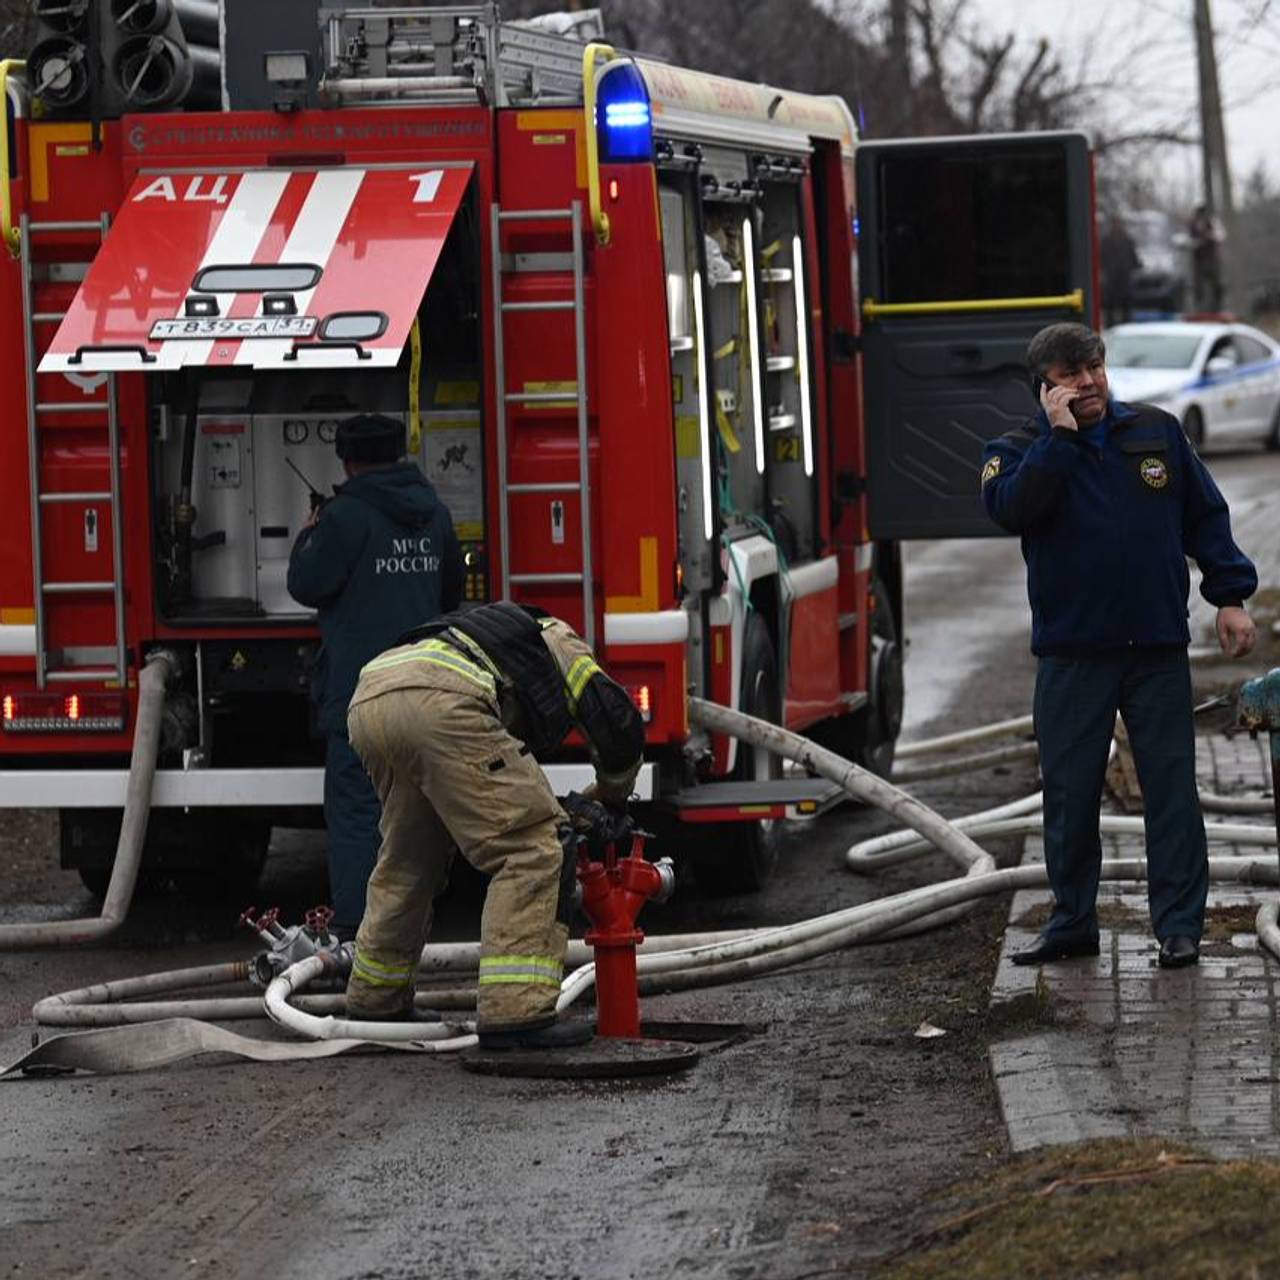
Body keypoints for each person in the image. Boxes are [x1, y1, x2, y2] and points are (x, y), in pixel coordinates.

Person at [980, 322, 1257, 970]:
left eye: (1095, 369)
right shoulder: (1016, 450)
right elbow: (1013, 511)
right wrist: (1061, 442)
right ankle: (1073, 921)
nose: (1089, 383)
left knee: (1171, 791)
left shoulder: (1156, 432)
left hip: (1156, 647)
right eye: (1072, 377)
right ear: (1044, 390)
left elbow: (1204, 517)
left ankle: (1180, 927)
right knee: (1071, 795)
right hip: (1073, 654)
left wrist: (1231, 598)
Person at [342, 601, 645, 1049]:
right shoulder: (557, 637)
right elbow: (614, 719)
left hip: (371, 698)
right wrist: (614, 797)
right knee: (534, 847)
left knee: (411, 856)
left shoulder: (478, 636)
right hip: (443, 704)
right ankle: (516, 1012)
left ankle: (376, 1000)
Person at [287, 413, 464, 938]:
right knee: (420, 811)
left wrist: (309, 534)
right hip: (428, 683)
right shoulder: (434, 513)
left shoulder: (343, 518)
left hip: (362, 694)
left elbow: (306, 583)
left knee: (359, 812)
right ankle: (418, 919)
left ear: (347, 460)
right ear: (398, 453)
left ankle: (358, 931)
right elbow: (450, 591)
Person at [1100, 215, 1140, 327]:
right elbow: (1102, 258)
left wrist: (1136, 266)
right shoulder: (1106, 240)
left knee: (1126, 305)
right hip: (1112, 278)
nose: (1118, 226)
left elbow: (1133, 257)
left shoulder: (1127, 240)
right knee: (1110, 305)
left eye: (1119, 223)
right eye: (1115, 223)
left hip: (1125, 277)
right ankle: (1111, 326)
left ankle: (1127, 325)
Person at [1189, 204, 1225, 312]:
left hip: (1211, 259)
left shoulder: (1212, 222)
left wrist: (1208, 236)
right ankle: (1198, 307)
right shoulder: (1192, 225)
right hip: (1198, 260)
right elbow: (1190, 240)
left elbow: (1220, 235)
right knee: (1198, 285)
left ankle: (1218, 307)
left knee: (1216, 283)